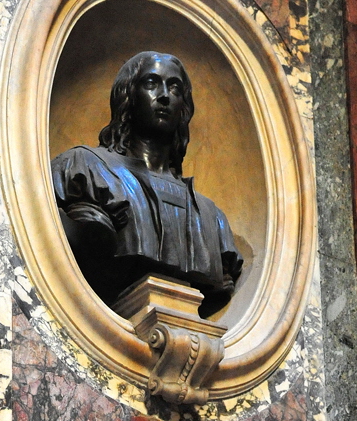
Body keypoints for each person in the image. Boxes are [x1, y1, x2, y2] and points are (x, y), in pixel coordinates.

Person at [51, 51, 243, 313]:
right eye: (151, 83)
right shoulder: (86, 169)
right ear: (128, 98)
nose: (164, 95)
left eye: (174, 88)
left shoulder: (213, 220)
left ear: (183, 106)